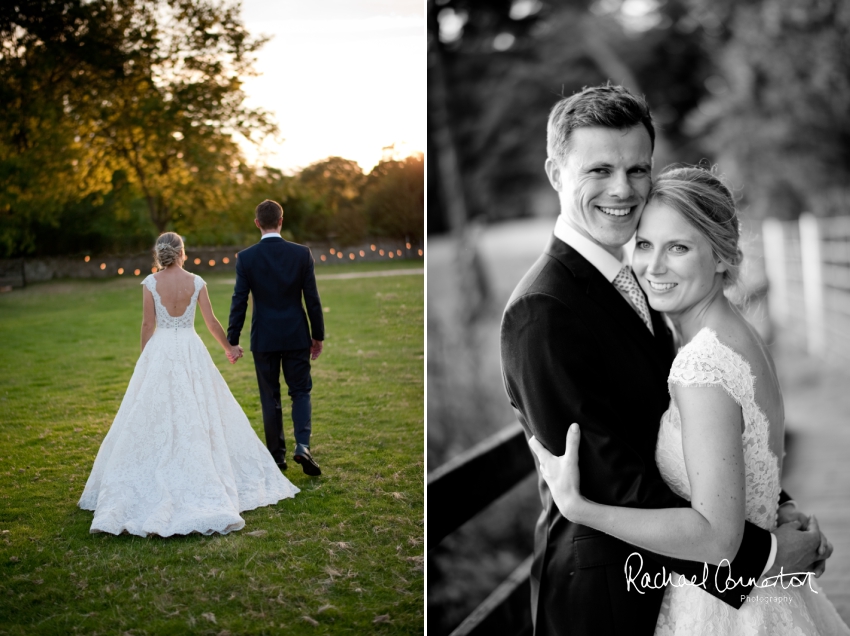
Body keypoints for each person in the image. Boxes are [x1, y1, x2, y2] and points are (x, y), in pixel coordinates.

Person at [499, 84, 831, 636]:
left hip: (680, 585)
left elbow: (704, 433)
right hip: (606, 600)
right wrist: (769, 556)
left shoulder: (640, 282)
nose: (622, 189)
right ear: (556, 173)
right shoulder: (543, 311)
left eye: (637, 169)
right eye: (599, 170)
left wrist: (774, 507)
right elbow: (611, 483)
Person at [79, 232, 299, 537]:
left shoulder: (150, 283)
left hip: (161, 349)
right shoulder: (196, 281)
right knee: (198, 407)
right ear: (182, 252)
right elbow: (210, 322)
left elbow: (147, 324)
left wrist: (146, 358)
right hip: (190, 348)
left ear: (159, 254)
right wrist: (228, 347)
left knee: (156, 411)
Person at [227, 200, 324, 476]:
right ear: (281, 221)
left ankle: (277, 456)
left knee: (270, 397)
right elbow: (312, 299)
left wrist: (232, 339)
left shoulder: (246, 258)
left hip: (264, 338)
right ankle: (302, 446)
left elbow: (239, 300)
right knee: (301, 391)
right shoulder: (302, 254)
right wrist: (317, 336)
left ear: (257, 223)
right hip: (296, 335)